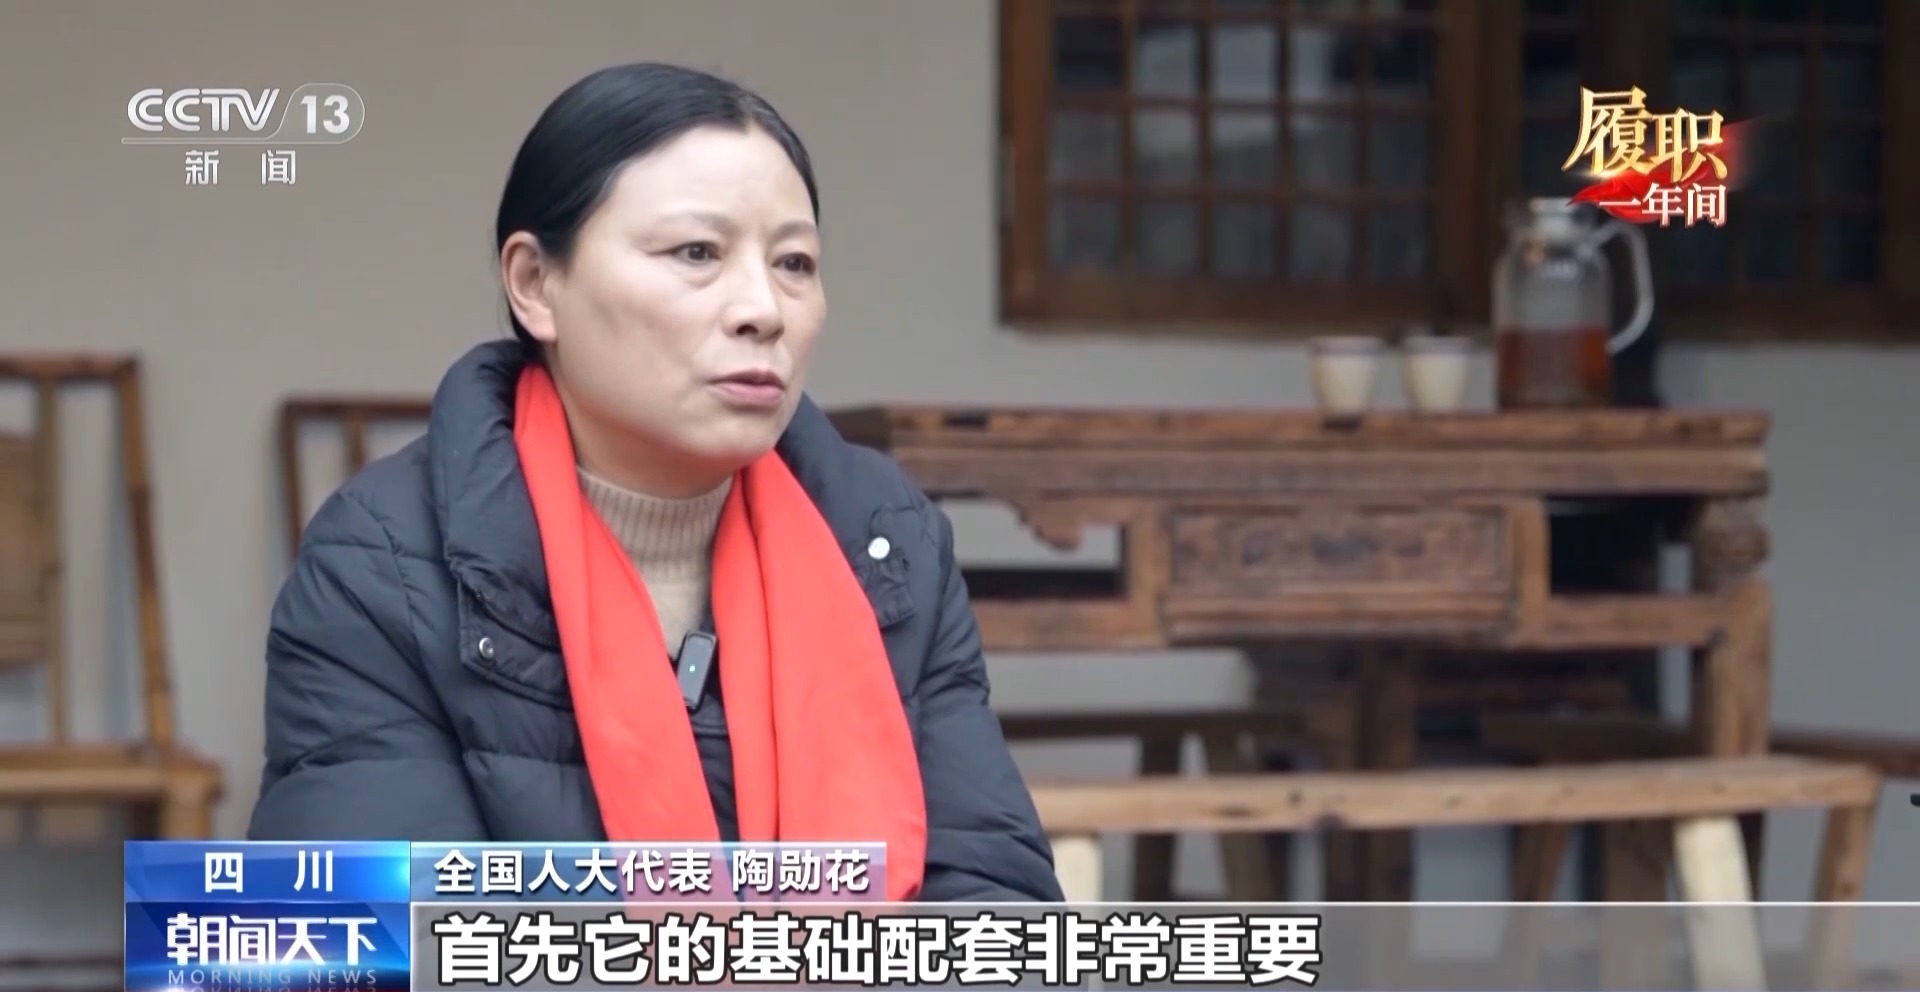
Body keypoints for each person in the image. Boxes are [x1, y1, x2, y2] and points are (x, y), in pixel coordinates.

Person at [248, 63, 1062, 902]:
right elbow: (376, 926)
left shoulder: (886, 540)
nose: (764, 310)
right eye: (696, 253)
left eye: (794, 262)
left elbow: (995, 902)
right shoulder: (382, 566)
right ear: (535, 284)